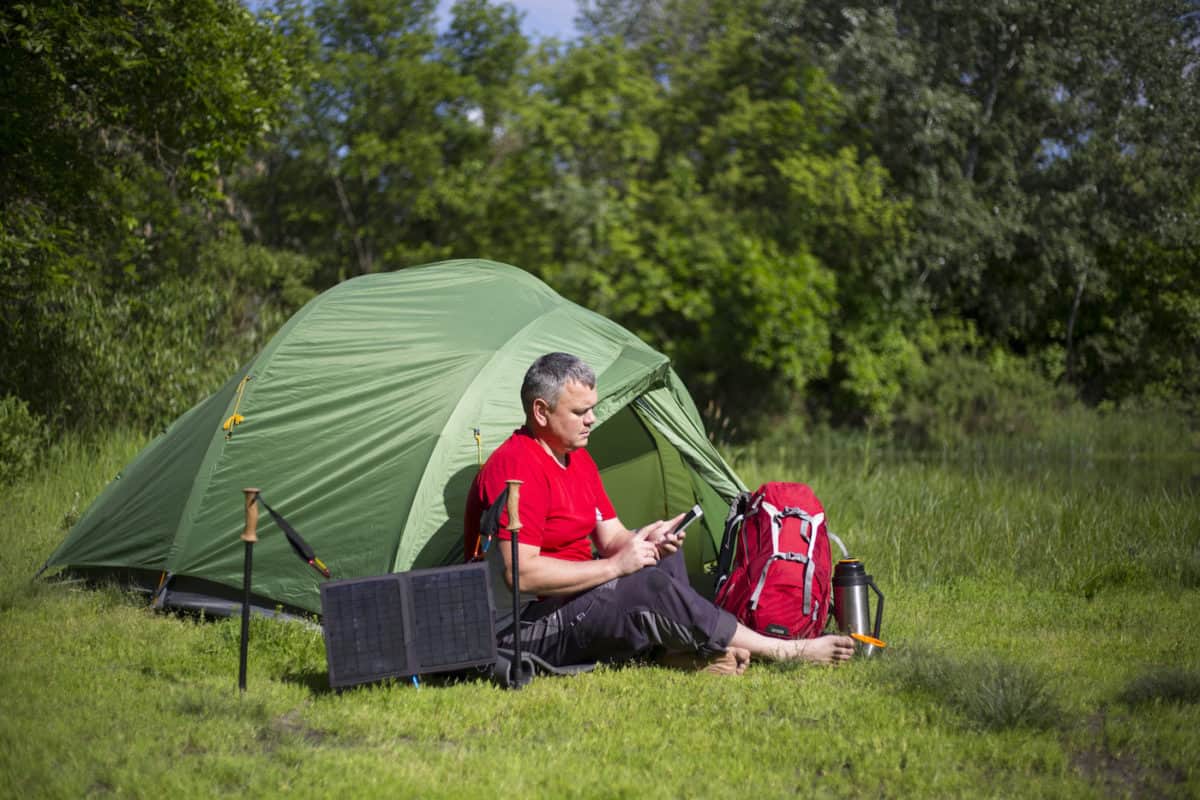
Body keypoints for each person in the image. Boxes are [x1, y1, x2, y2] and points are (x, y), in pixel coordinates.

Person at [464, 352, 854, 674]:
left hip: (569, 603)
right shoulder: (516, 467)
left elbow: (611, 537)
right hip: (524, 627)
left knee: (662, 561)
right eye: (580, 411)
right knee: (643, 584)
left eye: (593, 409)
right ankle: (784, 650)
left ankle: (675, 653)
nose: (592, 420)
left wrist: (644, 540)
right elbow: (522, 573)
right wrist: (617, 568)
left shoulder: (576, 459)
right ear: (541, 411)